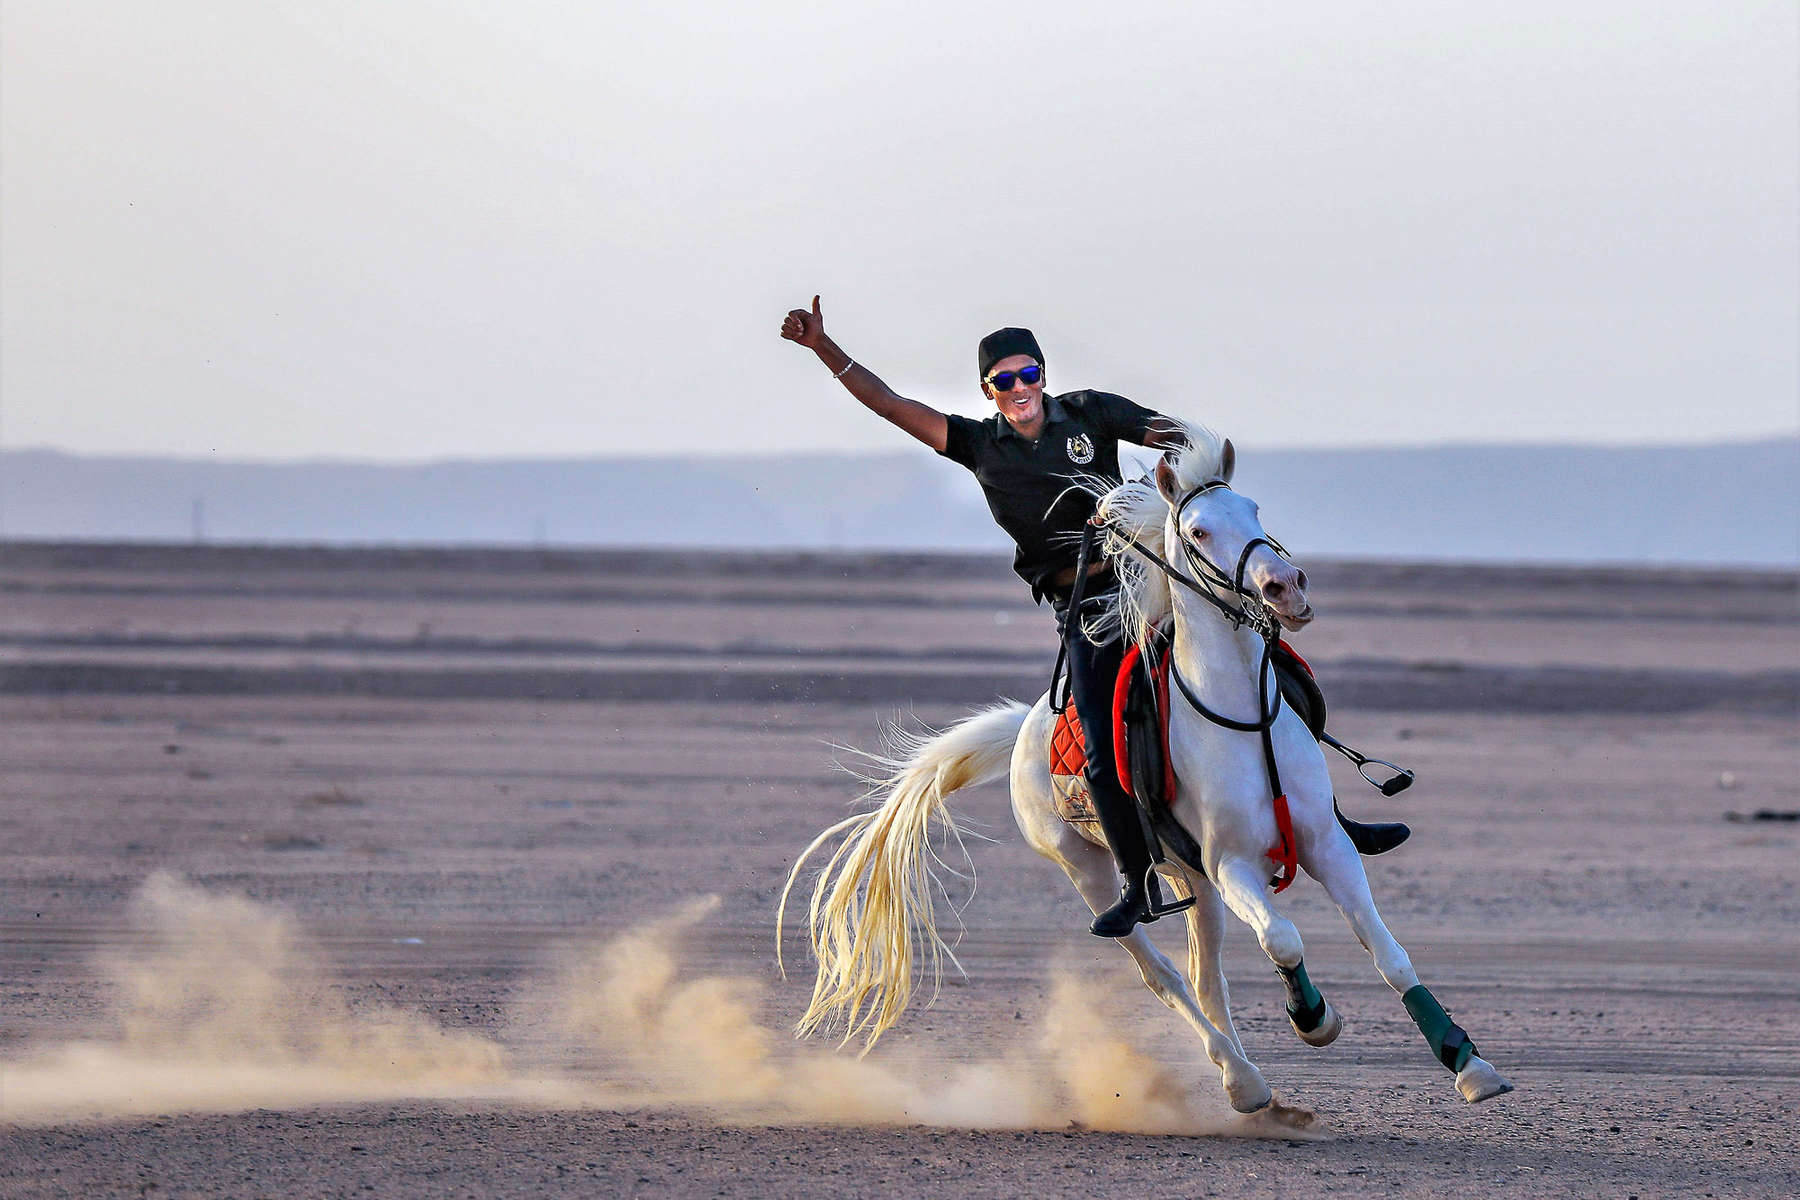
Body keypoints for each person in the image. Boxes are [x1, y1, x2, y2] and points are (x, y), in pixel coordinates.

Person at [779, 296, 1403, 938]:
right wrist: (824, 348)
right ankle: (1136, 880)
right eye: (1005, 381)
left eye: (1029, 375)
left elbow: (1175, 439)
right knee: (1102, 743)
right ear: (988, 390)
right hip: (1088, 610)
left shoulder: (1090, 413)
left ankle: (1331, 820)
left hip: (1152, 582)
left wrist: (1185, 472)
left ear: (1043, 375)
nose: (1020, 389)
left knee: (1272, 664)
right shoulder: (977, 445)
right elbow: (889, 404)